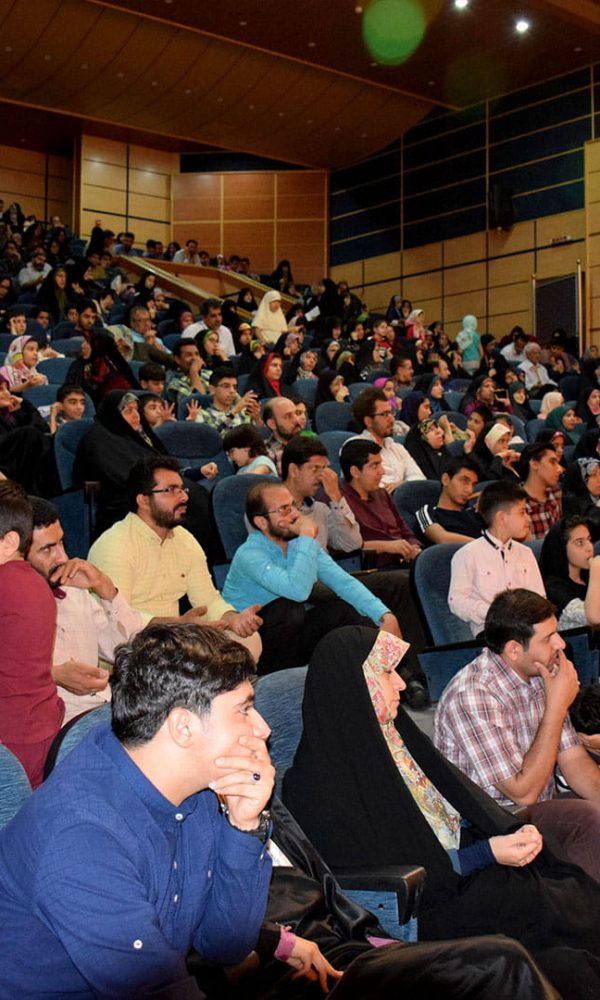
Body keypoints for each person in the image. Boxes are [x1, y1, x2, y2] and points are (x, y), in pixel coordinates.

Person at [283, 625, 600, 999]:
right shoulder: (316, 785)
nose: (402, 684)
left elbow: (463, 808)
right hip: (431, 905)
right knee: (552, 905)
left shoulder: (396, 738)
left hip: (468, 872)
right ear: (355, 686)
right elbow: (394, 880)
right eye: (387, 673)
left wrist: (503, 833)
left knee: (564, 890)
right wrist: (486, 853)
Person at [0, 624, 274, 998]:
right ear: (183, 727)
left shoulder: (192, 789)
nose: (263, 728)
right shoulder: (81, 838)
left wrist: (244, 825)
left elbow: (224, 947)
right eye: (244, 709)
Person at [435, 588, 600, 884]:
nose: (561, 644)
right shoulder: (474, 695)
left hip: (533, 808)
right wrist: (556, 707)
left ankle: (572, 896)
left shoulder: (539, 672)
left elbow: (575, 762)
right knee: (587, 820)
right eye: (549, 638)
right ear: (513, 649)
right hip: (490, 824)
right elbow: (522, 792)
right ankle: (580, 905)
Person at [222, 480, 401, 673]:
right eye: (284, 509)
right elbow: (297, 591)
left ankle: (384, 676)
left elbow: (343, 582)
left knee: (346, 610)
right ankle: (284, 682)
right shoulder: (250, 554)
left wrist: (384, 616)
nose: (294, 514)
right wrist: (306, 536)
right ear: (261, 522)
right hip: (248, 643)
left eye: (293, 505)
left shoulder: (298, 544)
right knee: (288, 608)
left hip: (288, 636)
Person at [88, 456, 260, 656]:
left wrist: (232, 618)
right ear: (143, 500)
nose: (184, 497)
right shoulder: (115, 545)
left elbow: (207, 600)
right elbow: (116, 620)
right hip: (133, 649)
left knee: (247, 640)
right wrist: (179, 625)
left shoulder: (184, 539)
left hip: (174, 637)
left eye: (182, 489)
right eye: (171, 490)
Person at [26, 496, 143, 721]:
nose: (63, 557)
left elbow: (126, 649)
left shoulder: (73, 590)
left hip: (102, 713)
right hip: (53, 723)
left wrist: (105, 588)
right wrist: (52, 675)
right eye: (47, 549)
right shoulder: (10, 605)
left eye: (61, 543)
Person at [0, 481, 63, 788]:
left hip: (10, 742)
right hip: (39, 728)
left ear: (9, 542)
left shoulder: (5, 585)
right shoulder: (34, 581)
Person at [448, 481, 545, 636]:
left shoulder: (526, 553)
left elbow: (540, 598)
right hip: (490, 633)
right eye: (522, 512)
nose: (528, 519)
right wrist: (493, 613)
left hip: (527, 630)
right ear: (501, 518)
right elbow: (457, 602)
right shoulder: (468, 554)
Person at [339, 438, 421, 569]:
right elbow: (344, 547)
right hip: (372, 569)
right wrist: (386, 546)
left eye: (380, 464)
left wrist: (414, 548)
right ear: (355, 472)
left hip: (403, 563)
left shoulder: (382, 494)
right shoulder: (339, 501)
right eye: (374, 466)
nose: (382, 471)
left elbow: (406, 532)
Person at [353, 388, 425, 490]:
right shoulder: (355, 447)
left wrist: (402, 485)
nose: (391, 419)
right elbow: (374, 488)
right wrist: (404, 486)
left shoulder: (397, 448)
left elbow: (420, 479)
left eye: (391, 413)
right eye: (385, 414)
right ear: (368, 421)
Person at [540, 516, 600, 629]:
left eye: (589, 540)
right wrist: (596, 571)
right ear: (562, 548)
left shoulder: (587, 575)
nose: (590, 548)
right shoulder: (554, 587)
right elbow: (595, 617)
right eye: (580, 543)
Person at [415, 456, 483, 544]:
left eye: (473, 485)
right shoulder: (427, 512)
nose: (470, 490)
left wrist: (488, 499)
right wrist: (484, 545)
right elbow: (442, 538)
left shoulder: (473, 513)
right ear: (445, 479)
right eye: (464, 481)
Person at [189, 366, 261, 433]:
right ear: (212, 389)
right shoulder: (203, 415)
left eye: (235, 387)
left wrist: (257, 419)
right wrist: (234, 412)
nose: (232, 391)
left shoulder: (243, 412)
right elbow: (212, 436)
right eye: (226, 386)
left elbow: (259, 437)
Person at [520, 442, 562, 539]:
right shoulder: (516, 501)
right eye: (552, 462)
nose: (559, 469)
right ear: (534, 464)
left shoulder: (556, 492)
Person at [262, 397, 303, 475]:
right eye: (288, 416)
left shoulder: (309, 445)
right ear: (272, 424)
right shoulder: (266, 452)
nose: (296, 420)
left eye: (296, 414)